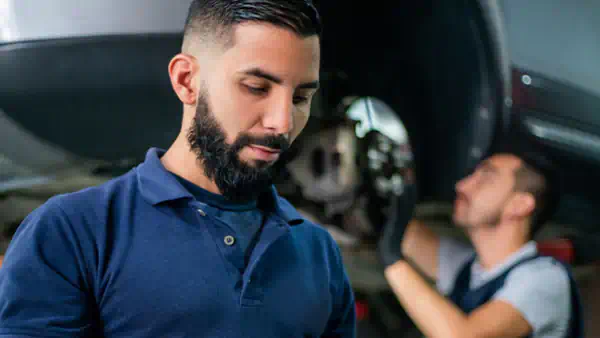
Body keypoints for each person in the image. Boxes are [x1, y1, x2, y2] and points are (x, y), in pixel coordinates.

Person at [0, 1, 357, 337]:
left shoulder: (320, 254)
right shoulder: (73, 232)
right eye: (256, 88)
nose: (283, 122)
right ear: (186, 80)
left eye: (300, 98)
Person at [378, 147, 584, 338]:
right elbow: (405, 233)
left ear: (519, 205)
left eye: (485, 178)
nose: (462, 185)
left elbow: (463, 336)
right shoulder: (470, 269)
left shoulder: (545, 278)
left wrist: (393, 260)